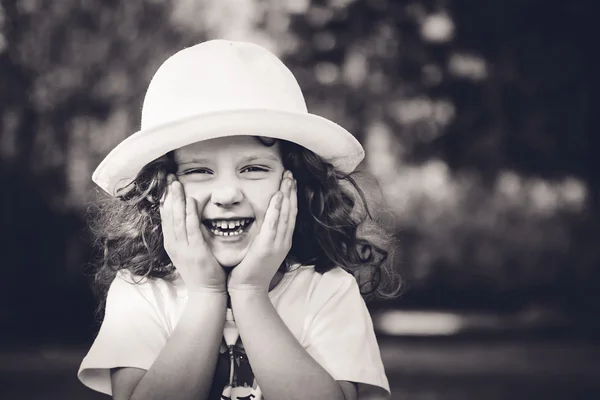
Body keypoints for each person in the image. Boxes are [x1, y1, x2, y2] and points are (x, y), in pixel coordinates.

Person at [78, 39, 399, 400]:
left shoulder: (327, 290)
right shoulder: (142, 292)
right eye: (199, 170)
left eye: (253, 168)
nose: (228, 194)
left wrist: (250, 293)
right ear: (159, 192)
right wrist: (205, 293)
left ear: (295, 180)